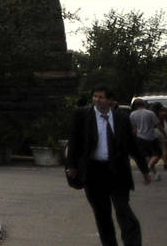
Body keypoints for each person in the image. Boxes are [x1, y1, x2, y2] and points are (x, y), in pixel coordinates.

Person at [66, 84, 146, 246]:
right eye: (95, 96)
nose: (97, 100)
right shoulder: (82, 115)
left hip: (117, 172)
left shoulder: (121, 118)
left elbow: (132, 145)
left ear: (110, 100)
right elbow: (74, 141)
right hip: (94, 172)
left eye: (101, 97)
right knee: (103, 216)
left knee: (124, 212)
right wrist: (71, 165)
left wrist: (145, 169)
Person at [127, 99, 160, 182]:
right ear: (144, 104)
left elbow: (133, 128)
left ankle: (155, 173)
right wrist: (164, 134)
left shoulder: (132, 114)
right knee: (157, 154)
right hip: (151, 137)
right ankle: (148, 168)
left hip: (139, 137)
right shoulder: (150, 113)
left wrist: (132, 138)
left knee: (146, 156)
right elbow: (158, 124)